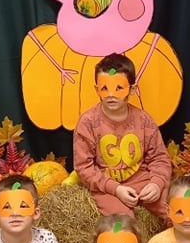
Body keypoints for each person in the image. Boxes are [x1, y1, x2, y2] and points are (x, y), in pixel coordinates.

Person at [73, 53, 172, 220]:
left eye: (119, 88)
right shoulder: (87, 123)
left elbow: (160, 158)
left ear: (132, 89)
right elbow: (84, 168)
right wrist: (115, 189)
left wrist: (156, 183)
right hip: (107, 187)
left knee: (174, 209)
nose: (111, 94)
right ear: (97, 89)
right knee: (123, 222)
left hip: (141, 180)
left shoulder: (144, 120)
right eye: (105, 88)